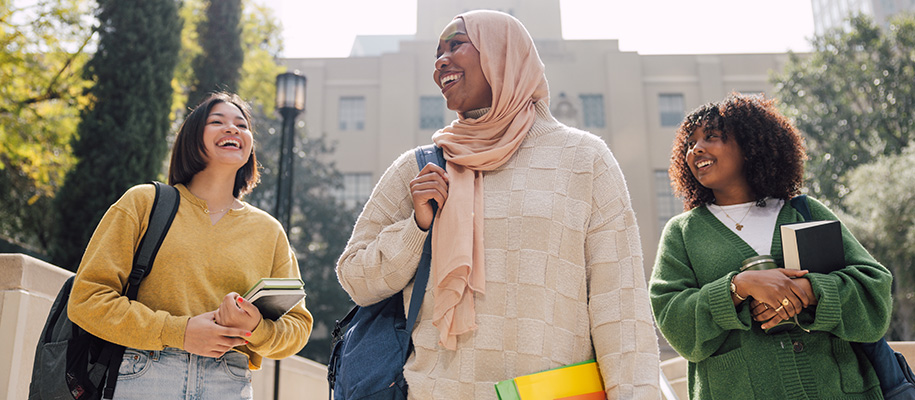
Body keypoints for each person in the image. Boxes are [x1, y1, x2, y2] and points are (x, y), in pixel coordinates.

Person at [336, 10, 660, 399]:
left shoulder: (584, 159)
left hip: (554, 394)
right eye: (437, 53)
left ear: (503, 54)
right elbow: (355, 279)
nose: (441, 61)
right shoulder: (421, 167)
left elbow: (620, 307)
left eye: (456, 44)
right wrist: (416, 228)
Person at [68, 92, 313, 399]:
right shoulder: (143, 203)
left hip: (229, 381)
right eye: (217, 121)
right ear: (192, 138)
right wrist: (179, 332)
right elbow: (86, 300)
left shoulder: (269, 231)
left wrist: (254, 328)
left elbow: (298, 327)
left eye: (242, 125)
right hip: (144, 374)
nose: (233, 129)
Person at [649, 93, 893, 399]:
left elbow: (875, 293)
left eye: (711, 136)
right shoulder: (683, 233)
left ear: (751, 146)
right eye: (690, 143)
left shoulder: (803, 211)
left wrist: (809, 291)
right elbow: (675, 322)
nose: (696, 148)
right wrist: (738, 288)